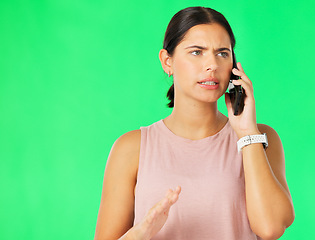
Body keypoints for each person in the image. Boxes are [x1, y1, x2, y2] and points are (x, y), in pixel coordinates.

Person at [95, 6, 295, 240]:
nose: (212, 64)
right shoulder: (130, 148)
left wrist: (247, 131)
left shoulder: (261, 138)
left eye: (222, 53)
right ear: (167, 61)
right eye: (197, 52)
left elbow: (271, 228)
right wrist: (141, 231)